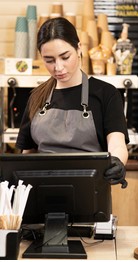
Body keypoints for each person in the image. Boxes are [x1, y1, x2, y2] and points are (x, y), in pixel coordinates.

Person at [16, 17, 129, 188]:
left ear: (78, 48)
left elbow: (117, 143)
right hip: (40, 196)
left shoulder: (106, 93)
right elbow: (27, 153)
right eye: (49, 60)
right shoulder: (37, 96)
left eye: (65, 57)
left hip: (90, 196)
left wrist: (117, 162)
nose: (58, 67)